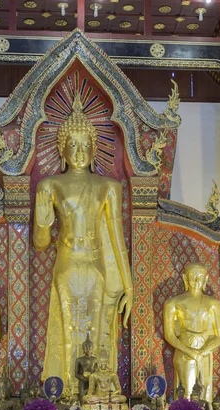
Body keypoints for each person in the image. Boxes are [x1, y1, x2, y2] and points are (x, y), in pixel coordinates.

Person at [33, 94, 133, 387]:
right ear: (61, 149)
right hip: (66, 263)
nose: (79, 150)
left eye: (85, 144)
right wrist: (42, 221)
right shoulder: (49, 185)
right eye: (72, 144)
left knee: (97, 327)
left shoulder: (109, 187)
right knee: (68, 326)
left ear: (94, 147)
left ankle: (96, 389)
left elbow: (117, 238)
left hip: (96, 265)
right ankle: (65, 389)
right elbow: (40, 244)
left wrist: (129, 286)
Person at [163, 262, 220, 402]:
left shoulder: (213, 304)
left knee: (205, 392)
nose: (197, 281)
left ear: (206, 279)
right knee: (186, 391)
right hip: (184, 351)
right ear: (185, 279)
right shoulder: (173, 303)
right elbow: (170, 335)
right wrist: (190, 352)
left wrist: (202, 352)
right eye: (193, 277)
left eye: (201, 277)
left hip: (205, 352)